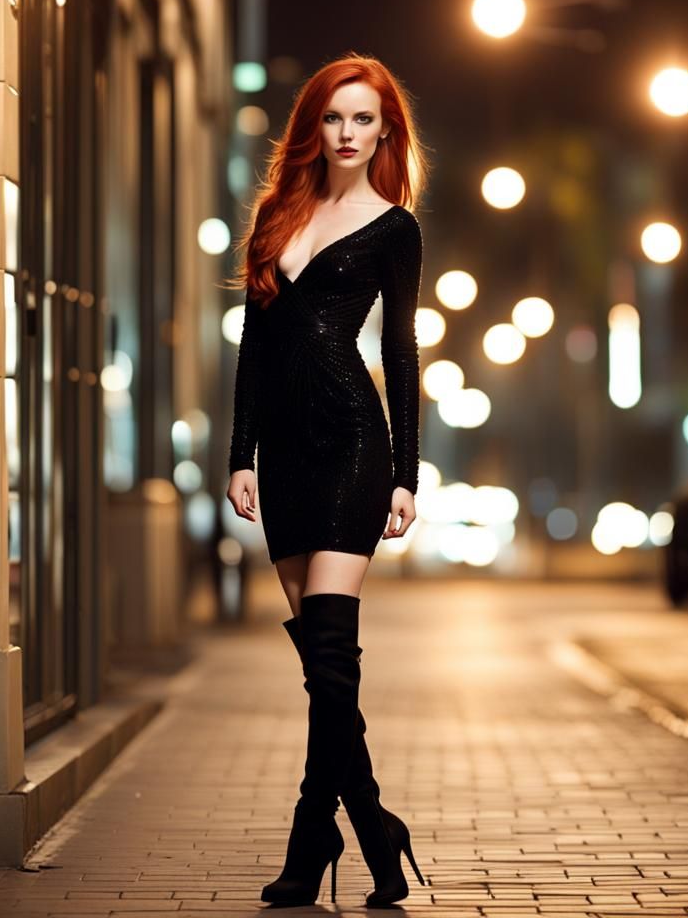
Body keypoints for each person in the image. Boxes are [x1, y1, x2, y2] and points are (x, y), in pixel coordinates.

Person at [224, 52, 431, 906]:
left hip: (353, 444)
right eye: (334, 118)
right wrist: (239, 455)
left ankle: (314, 835)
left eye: (364, 121)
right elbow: (255, 345)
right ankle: (376, 836)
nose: (347, 134)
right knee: (319, 666)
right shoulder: (279, 212)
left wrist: (407, 474)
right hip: (283, 456)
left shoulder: (394, 228)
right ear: (314, 125)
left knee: (334, 658)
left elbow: (400, 349)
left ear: (385, 133)